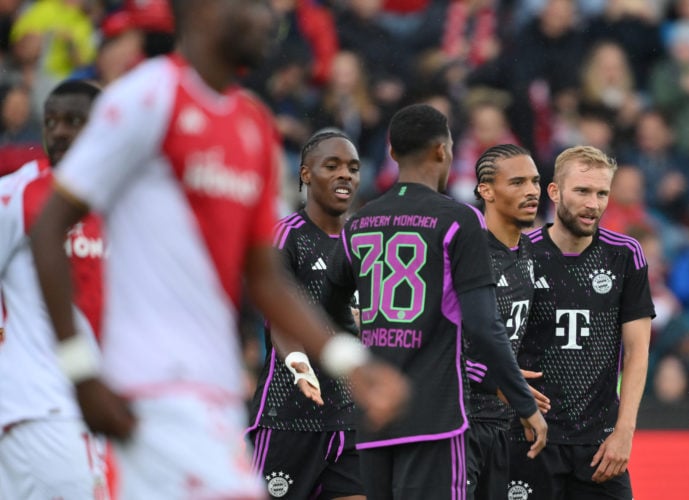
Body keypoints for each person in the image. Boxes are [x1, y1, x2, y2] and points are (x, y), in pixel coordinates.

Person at [28, 1, 407, 498]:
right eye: (253, 7)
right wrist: (81, 370)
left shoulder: (252, 123)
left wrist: (345, 359)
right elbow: (49, 226)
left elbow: (265, 276)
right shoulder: (149, 96)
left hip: (219, 390)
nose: (268, 19)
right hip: (147, 388)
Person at [320, 104, 547, 500]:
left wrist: (356, 362)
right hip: (436, 420)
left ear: (392, 153)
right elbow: (483, 325)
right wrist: (525, 404)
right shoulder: (459, 219)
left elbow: (327, 305)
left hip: (375, 421)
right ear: (443, 151)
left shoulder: (358, 222)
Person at [508, 145, 654, 500]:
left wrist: (625, 431)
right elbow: (496, 336)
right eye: (583, 191)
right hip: (529, 434)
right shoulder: (520, 251)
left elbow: (637, 351)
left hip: (599, 442)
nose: (594, 203)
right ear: (555, 192)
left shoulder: (625, 254)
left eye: (602, 193)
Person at [0, 80, 107, 499]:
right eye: (51, 122)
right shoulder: (18, 195)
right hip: (44, 412)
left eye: (75, 121)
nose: (59, 131)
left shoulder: (122, 204)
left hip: (80, 412)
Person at [247, 129, 365, 500]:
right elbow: (277, 315)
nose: (345, 174)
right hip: (288, 416)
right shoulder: (287, 236)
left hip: (348, 419)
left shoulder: (364, 241)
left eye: (353, 167)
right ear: (306, 174)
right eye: (332, 166)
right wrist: (300, 365)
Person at [466, 144, 550, 499]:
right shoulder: (466, 253)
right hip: (458, 423)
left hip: (502, 424)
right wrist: (495, 382)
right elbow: (435, 340)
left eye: (534, 181)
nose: (532, 191)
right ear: (486, 190)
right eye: (517, 183)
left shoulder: (528, 251)